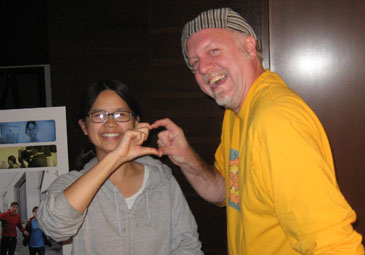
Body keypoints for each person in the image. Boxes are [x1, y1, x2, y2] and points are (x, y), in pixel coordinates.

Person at [152, 7, 365, 255]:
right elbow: (224, 189)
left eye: (213, 51)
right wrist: (185, 158)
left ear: (249, 47)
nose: (204, 68)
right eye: (195, 63)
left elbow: (334, 245)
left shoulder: (275, 120)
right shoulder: (236, 113)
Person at [37, 80, 203, 255]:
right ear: (84, 126)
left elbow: (187, 244)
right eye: (99, 115)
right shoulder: (71, 184)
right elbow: (55, 227)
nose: (110, 124)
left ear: (136, 122)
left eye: (120, 114)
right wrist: (116, 157)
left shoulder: (161, 178)